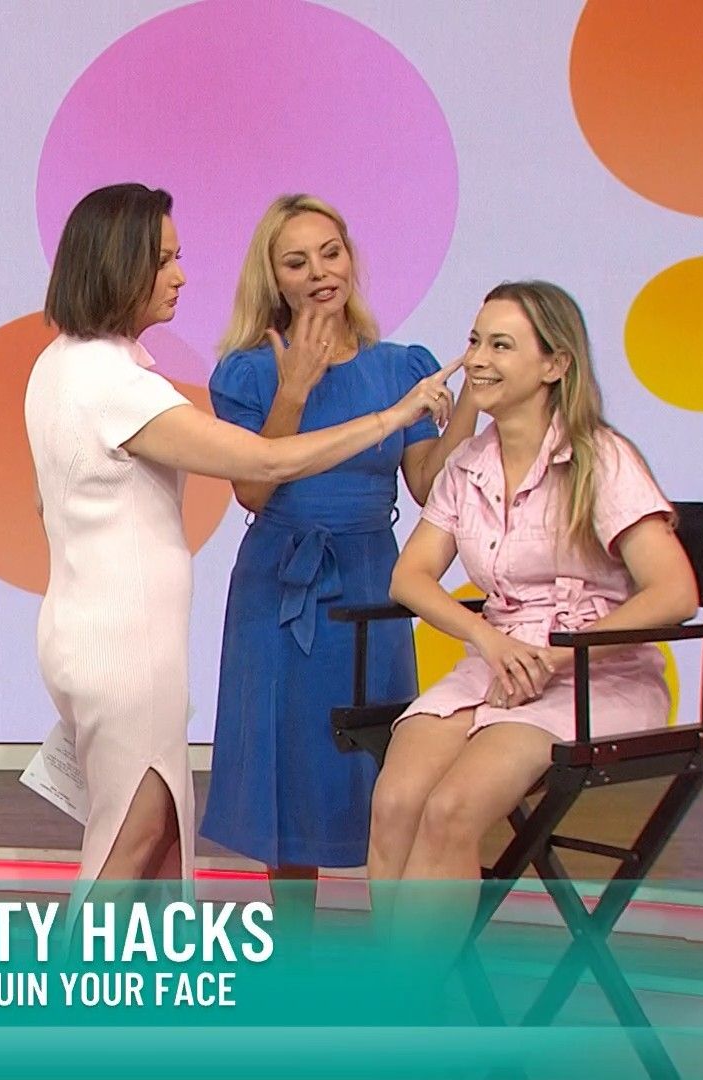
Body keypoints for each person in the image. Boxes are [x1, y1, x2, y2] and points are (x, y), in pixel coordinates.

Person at [25, 183, 460, 883]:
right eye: (164, 261)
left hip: (109, 629)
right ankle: (88, 966)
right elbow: (260, 469)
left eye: (332, 253)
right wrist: (378, 415)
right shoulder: (125, 383)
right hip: (130, 639)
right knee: (137, 832)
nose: (180, 276)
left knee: (149, 833)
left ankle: (138, 966)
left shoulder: (66, 364)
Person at [369, 280, 697, 952]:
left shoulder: (601, 457)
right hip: (498, 663)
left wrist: (556, 655)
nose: (477, 360)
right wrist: (486, 639)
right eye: (474, 342)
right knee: (396, 802)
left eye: (501, 345)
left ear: (555, 364)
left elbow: (674, 592)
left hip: (593, 675)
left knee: (451, 809)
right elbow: (409, 576)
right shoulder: (465, 465)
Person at [201, 195, 476, 927]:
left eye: (331, 252)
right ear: (275, 279)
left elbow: (429, 487)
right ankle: (295, 945)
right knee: (289, 761)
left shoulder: (400, 367)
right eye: (297, 261)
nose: (320, 272)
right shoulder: (247, 374)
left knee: (376, 749)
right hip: (280, 583)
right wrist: (292, 392)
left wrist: (470, 404)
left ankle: (397, 937)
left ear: (351, 258)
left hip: (371, 580)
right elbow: (253, 489)